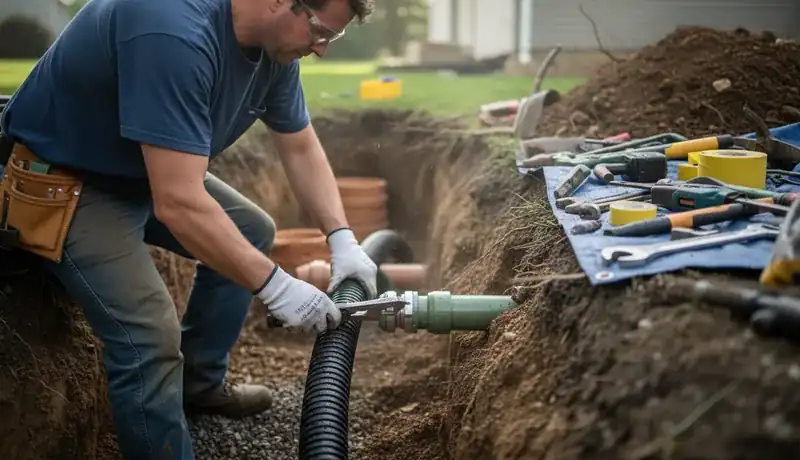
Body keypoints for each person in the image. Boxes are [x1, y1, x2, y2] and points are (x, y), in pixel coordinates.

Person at [0, 0, 377, 458]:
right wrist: (278, 287)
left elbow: (299, 146)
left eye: (330, 38)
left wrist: (342, 239)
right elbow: (178, 202)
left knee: (252, 230)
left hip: (142, 169)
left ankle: (198, 383)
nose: (321, 49)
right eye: (320, 32)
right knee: (149, 336)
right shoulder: (173, 29)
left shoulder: (273, 49)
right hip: (66, 180)